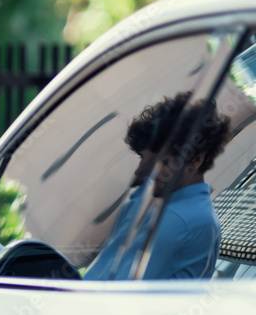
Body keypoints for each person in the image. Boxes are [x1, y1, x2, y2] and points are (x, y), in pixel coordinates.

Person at [83, 92, 231, 281]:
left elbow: (120, 295)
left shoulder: (177, 219)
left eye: (163, 162)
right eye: (144, 160)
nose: (143, 172)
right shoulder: (166, 204)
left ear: (195, 160)